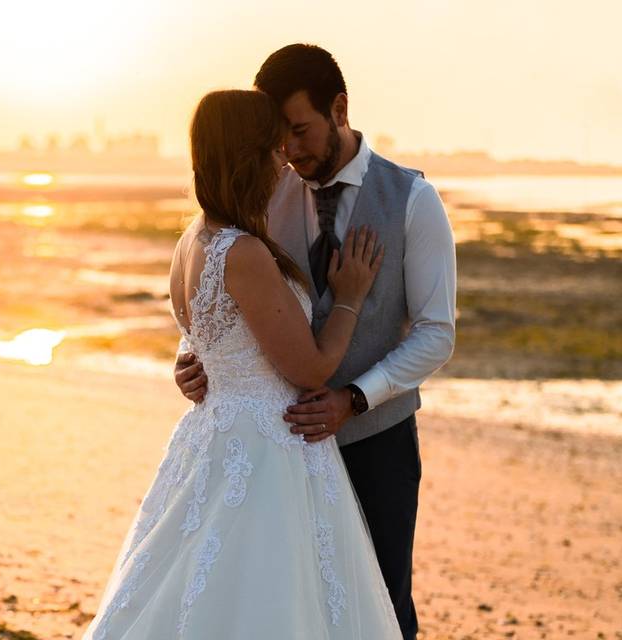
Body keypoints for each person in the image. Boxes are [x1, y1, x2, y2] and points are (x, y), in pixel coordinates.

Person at [83, 89, 402, 639]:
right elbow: (311, 370)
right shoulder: (244, 254)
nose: (283, 160)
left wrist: (188, 365)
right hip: (262, 452)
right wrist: (349, 295)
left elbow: (204, 341)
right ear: (247, 157)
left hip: (213, 438)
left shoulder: (191, 240)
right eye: (272, 149)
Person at [175, 44, 457, 640]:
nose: (291, 151)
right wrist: (191, 358)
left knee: (380, 606)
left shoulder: (413, 200)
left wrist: (354, 397)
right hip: (279, 454)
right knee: (287, 611)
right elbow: (220, 297)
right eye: (280, 138)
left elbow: (437, 334)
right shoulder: (262, 193)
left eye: (300, 131)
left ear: (340, 109)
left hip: (376, 441)